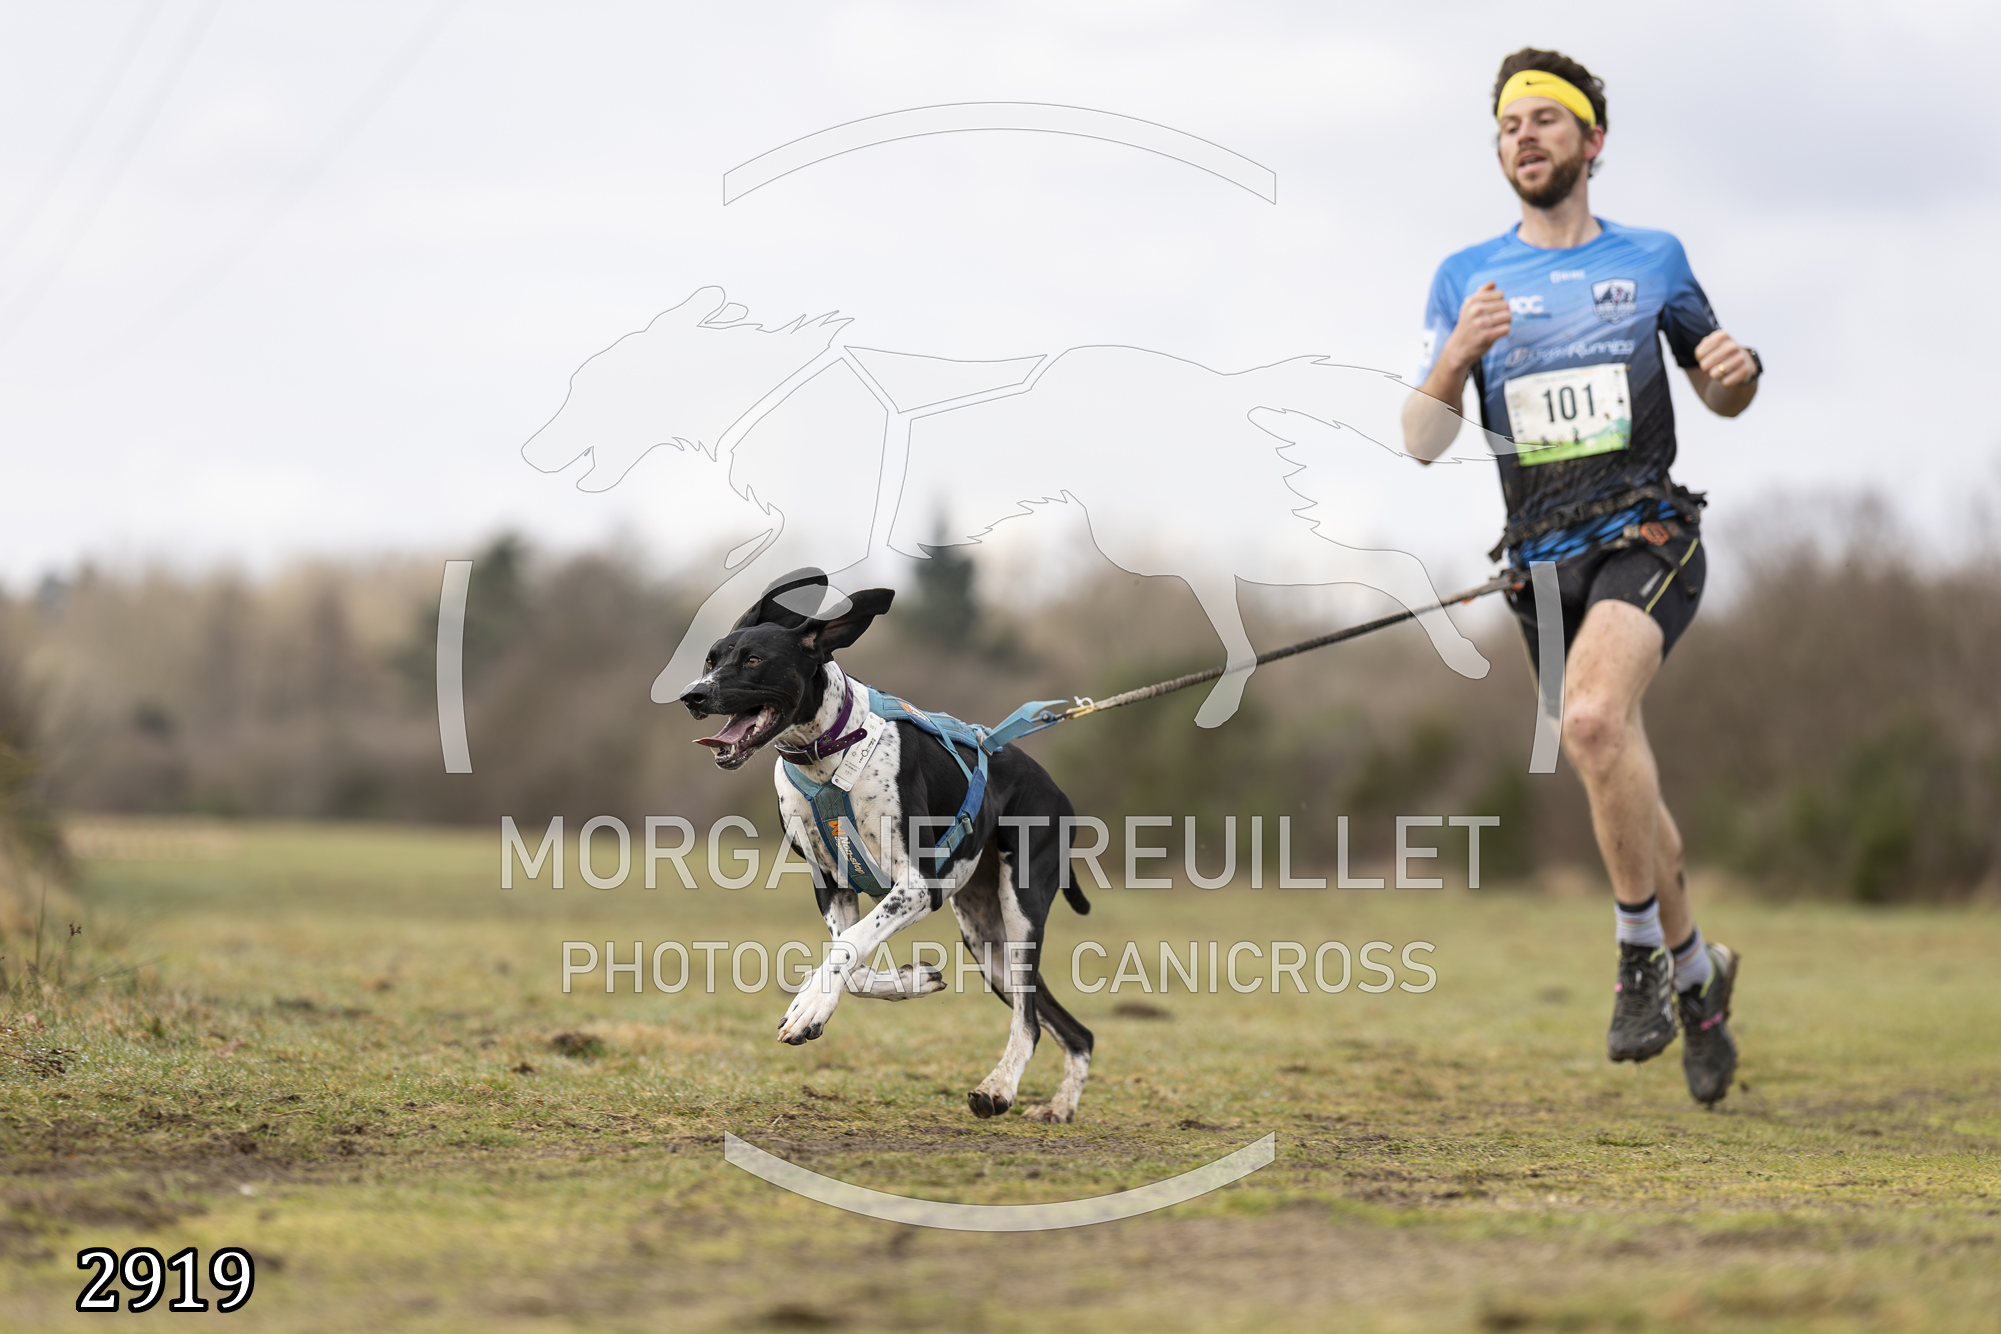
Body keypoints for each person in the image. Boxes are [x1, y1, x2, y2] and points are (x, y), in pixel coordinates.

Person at [1400, 48, 1760, 1105]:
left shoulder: (1652, 259)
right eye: (1510, 124)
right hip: (1540, 565)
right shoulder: (1466, 278)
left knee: (1593, 721)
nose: (1525, 135)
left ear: (1591, 141)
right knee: (1614, 762)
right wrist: (1453, 358)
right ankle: (1698, 979)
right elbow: (1421, 439)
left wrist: (1735, 376)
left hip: (1647, 535)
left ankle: (1637, 953)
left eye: (1546, 119)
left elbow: (1720, 388)